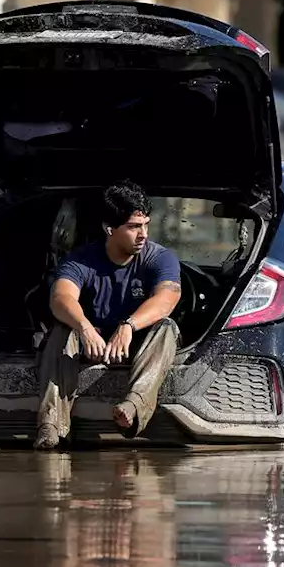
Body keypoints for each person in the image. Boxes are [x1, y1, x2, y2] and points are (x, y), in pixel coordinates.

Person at [34, 181, 182, 450]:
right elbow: (61, 298)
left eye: (146, 225)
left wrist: (129, 326)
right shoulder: (81, 261)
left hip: (137, 343)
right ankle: (51, 426)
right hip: (91, 342)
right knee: (60, 330)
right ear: (109, 229)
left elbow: (167, 298)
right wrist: (85, 328)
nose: (143, 235)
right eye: (133, 227)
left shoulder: (159, 258)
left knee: (167, 328)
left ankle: (133, 406)